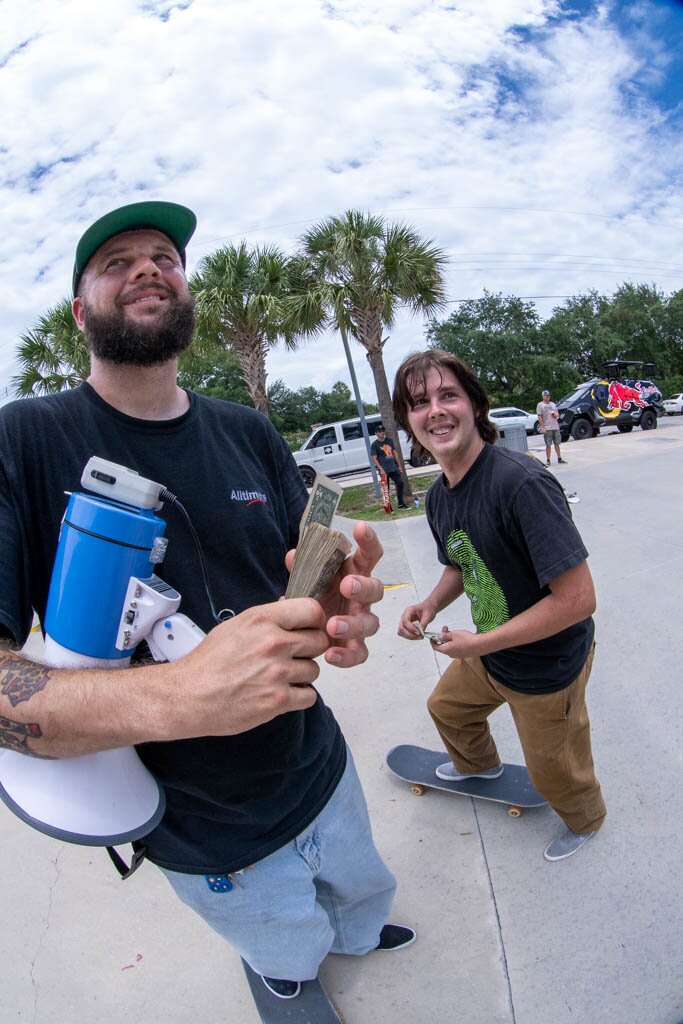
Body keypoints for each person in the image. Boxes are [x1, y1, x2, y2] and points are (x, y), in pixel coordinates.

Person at [0, 201, 415, 1002]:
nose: (149, 267)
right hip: (200, 824)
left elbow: (296, 582)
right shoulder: (23, 439)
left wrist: (338, 601)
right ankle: (287, 979)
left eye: (164, 256)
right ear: (81, 312)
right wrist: (178, 695)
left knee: (359, 889)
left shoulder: (247, 431)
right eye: (117, 263)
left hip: (318, 765)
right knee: (281, 938)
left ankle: (359, 931)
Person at [392, 349, 606, 862]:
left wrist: (477, 644)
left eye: (448, 395)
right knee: (447, 710)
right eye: (420, 402)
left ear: (475, 405)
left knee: (555, 770)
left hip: (547, 667)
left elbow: (578, 600)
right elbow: (461, 563)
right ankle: (479, 767)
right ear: (407, 420)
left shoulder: (521, 484)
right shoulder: (440, 496)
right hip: (491, 652)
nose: (435, 410)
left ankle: (586, 818)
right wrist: (429, 604)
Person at [371, 424, 407, 508]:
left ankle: (401, 504)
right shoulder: (374, 445)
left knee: (400, 483)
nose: (382, 432)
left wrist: (399, 466)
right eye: (380, 431)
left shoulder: (389, 441)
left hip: (393, 467)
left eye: (383, 431)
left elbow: (395, 453)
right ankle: (387, 507)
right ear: (376, 433)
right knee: (386, 488)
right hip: (384, 469)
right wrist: (381, 469)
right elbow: (374, 459)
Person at [536, 389, 566, 466]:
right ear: (543, 396)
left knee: (557, 443)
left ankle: (559, 458)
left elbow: (557, 414)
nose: (547, 397)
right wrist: (543, 427)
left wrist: (556, 414)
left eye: (548, 395)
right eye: (546, 396)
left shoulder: (553, 404)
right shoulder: (540, 405)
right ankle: (548, 459)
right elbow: (539, 417)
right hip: (547, 427)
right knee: (548, 444)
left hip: (555, 426)